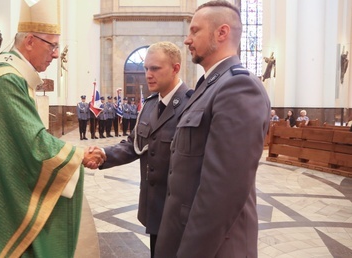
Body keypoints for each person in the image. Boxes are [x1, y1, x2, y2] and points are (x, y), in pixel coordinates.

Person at [0, 1, 106, 257]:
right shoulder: (7, 79)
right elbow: (33, 146)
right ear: (30, 41)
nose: (57, 54)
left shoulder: (8, 74)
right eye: (53, 45)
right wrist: (79, 155)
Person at [155, 1, 270, 257]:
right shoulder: (209, 86)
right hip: (182, 232)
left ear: (222, 33)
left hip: (213, 246)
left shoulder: (238, 88)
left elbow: (222, 194)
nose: (187, 40)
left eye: (195, 31)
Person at [97, 41, 190, 257]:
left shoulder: (192, 104)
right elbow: (133, 145)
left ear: (176, 68)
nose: (148, 74)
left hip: (180, 212)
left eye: (155, 68)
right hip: (155, 207)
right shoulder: (149, 105)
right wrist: (103, 154)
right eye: (146, 68)